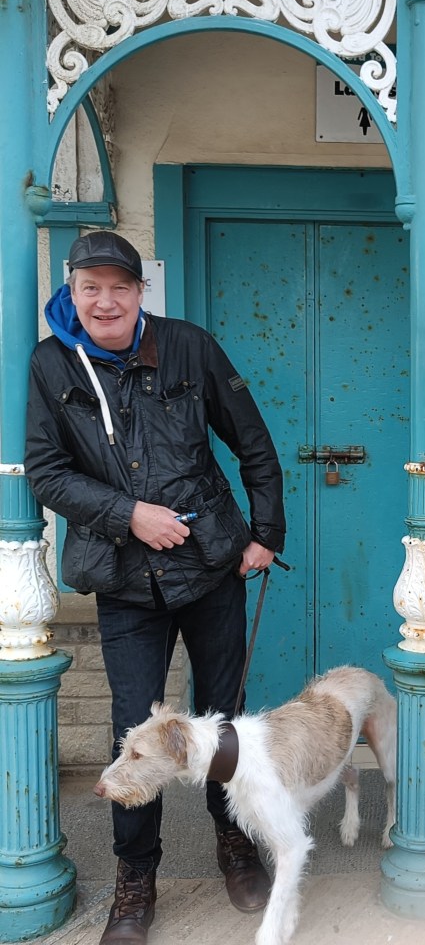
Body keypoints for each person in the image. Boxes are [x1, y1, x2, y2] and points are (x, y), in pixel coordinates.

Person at [25, 231, 286, 945]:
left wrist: (266, 534)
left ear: (142, 292)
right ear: (72, 293)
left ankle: (233, 844)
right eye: (90, 287)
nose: (105, 300)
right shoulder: (52, 364)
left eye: (120, 286)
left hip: (209, 568)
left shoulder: (188, 346)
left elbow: (252, 440)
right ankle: (134, 880)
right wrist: (129, 514)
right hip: (122, 578)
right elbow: (46, 472)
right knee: (130, 733)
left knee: (221, 719)